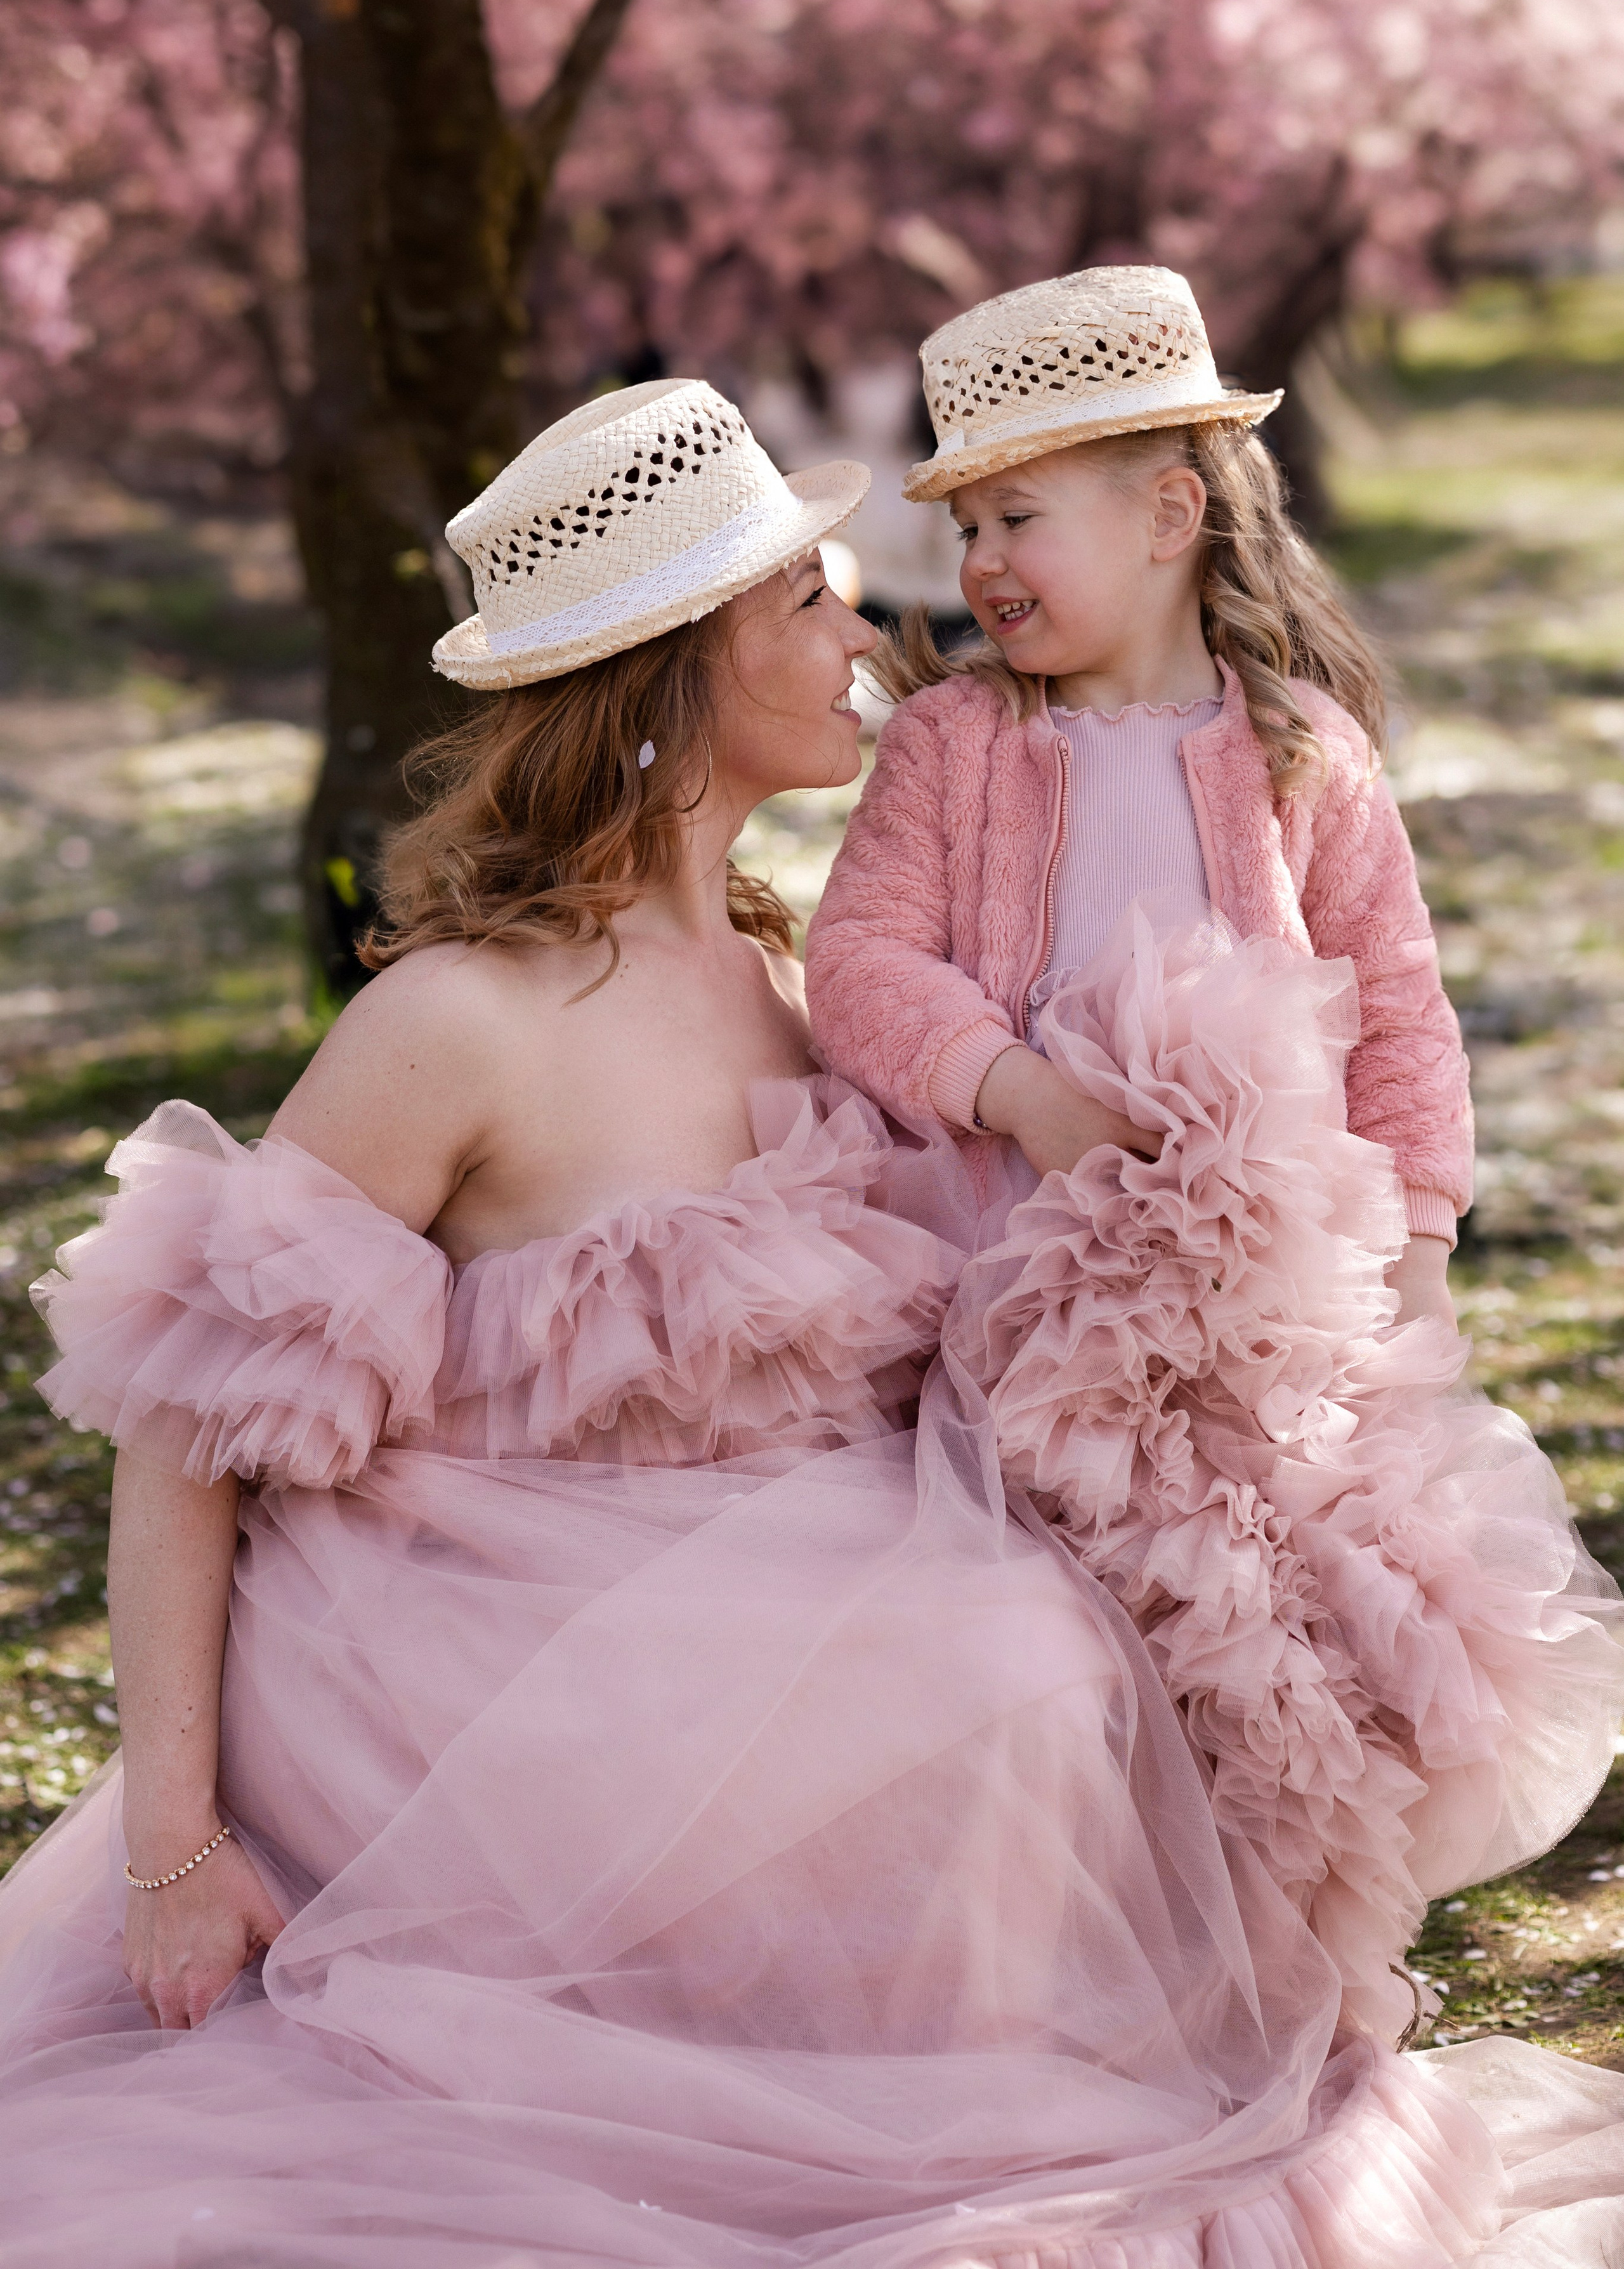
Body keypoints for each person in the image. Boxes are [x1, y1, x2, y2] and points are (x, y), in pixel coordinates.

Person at [0, 373, 1618, 2268]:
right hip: (470, 1654)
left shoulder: (785, 970)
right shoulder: (463, 1018)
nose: (870, 635)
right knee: (992, 1674)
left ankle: (1000, 2101)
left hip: (750, 1594)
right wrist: (174, 1850)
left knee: (1052, 1651)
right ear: (679, 670)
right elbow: (183, 1437)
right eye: (810, 604)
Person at [804, 268, 1624, 2034]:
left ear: (1170, 514)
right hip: (1003, 1300)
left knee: (1267, 1652)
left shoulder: (1300, 759)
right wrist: (1014, 1088)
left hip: (1259, 1322)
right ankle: (1053, 1982)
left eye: (1019, 516)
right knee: (1048, 1651)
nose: (983, 568)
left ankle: (1265, 1986)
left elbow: (1397, 1023)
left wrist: (1410, 1276)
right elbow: (861, 963)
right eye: (964, 529)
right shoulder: (955, 746)